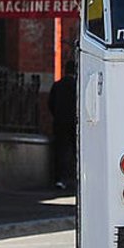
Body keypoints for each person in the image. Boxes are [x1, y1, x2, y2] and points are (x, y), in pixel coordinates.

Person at [48, 57, 76, 190]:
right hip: (75, 123)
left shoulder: (57, 85)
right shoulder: (77, 86)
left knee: (60, 151)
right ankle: (76, 177)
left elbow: (51, 104)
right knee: (76, 151)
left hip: (60, 122)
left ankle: (60, 179)